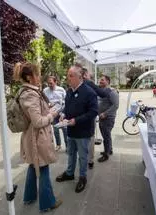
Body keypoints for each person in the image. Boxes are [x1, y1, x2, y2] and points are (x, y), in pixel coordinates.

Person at [13, 62, 62, 212]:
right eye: (37, 74)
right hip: (37, 138)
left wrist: (48, 107)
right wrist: (52, 114)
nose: (40, 77)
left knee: (33, 166)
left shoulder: (28, 91)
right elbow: (38, 121)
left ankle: (29, 197)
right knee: (43, 168)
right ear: (29, 77)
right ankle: (47, 203)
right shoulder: (30, 94)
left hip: (33, 137)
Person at [56, 64, 98, 193]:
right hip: (71, 130)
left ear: (80, 77)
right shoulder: (69, 91)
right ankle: (69, 174)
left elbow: (93, 112)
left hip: (83, 132)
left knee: (83, 156)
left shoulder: (89, 92)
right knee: (71, 153)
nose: (68, 78)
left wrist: (76, 120)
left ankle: (82, 177)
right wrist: (63, 115)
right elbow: (67, 108)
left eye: (71, 76)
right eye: (68, 75)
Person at [97, 75, 119, 162]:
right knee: (106, 135)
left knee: (106, 136)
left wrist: (105, 114)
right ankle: (109, 149)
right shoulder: (102, 91)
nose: (100, 81)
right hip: (101, 117)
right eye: (100, 80)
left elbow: (116, 105)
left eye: (102, 80)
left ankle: (106, 154)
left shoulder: (112, 92)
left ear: (108, 81)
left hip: (108, 118)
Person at [43, 76, 68, 151]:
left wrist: (63, 112)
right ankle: (58, 145)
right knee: (55, 130)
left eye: (51, 83)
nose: (49, 85)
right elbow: (44, 102)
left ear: (55, 82)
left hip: (62, 113)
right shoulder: (45, 91)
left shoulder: (61, 90)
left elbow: (66, 101)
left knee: (65, 130)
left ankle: (67, 146)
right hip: (52, 114)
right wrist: (49, 105)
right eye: (48, 83)